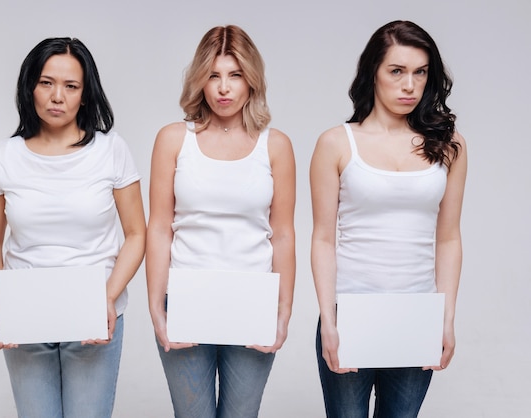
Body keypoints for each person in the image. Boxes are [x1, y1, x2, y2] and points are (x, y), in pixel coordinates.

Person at [0, 37, 146, 418]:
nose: (57, 96)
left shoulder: (111, 149)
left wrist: (108, 297)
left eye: (71, 86)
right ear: (30, 87)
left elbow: (137, 234)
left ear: (85, 95)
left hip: (93, 310)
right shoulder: (5, 156)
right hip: (26, 312)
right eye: (46, 83)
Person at [310, 20, 467, 417]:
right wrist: (329, 320)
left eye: (420, 72)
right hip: (350, 313)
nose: (409, 85)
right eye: (396, 71)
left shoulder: (449, 145)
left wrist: (445, 319)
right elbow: (323, 239)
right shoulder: (336, 143)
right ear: (373, 74)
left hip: (416, 317)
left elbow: (448, 238)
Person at [146, 25, 296, 418]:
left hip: (253, 300)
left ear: (252, 81)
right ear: (200, 80)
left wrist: (283, 313)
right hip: (185, 296)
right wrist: (156, 309)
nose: (224, 88)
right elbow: (159, 229)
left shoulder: (275, 145)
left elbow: (283, 235)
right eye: (214, 75)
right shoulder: (173, 139)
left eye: (235, 75)